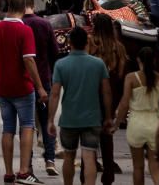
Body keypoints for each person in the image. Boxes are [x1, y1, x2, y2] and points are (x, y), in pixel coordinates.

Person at [0, 0, 48, 185]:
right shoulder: (24, 30)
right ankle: (23, 171)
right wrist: (40, 87)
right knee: (28, 125)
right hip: (23, 87)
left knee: (8, 129)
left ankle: (8, 172)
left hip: (3, 87)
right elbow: (29, 60)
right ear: (24, 9)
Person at [47, 27, 112, 185]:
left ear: (69, 42)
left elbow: (55, 94)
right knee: (89, 157)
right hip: (92, 118)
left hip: (69, 119)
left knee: (69, 156)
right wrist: (109, 117)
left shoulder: (61, 65)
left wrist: (50, 120)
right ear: (86, 42)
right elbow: (106, 92)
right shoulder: (98, 64)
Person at [113, 47, 159, 185]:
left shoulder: (131, 78)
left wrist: (117, 124)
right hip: (156, 123)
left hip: (136, 123)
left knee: (138, 167)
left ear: (138, 60)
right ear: (154, 61)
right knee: (155, 167)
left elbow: (124, 104)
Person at [87, 14, 127, 185]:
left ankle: (90, 167)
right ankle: (108, 172)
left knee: (89, 133)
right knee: (106, 134)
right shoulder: (118, 48)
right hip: (112, 92)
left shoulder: (90, 43)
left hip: (92, 92)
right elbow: (120, 74)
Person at [22, 0, 59, 177]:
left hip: (24, 81)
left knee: (27, 124)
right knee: (47, 121)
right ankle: (50, 160)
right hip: (44, 79)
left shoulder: (19, 25)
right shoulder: (45, 24)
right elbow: (55, 52)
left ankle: (27, 163)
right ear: (33, 6)